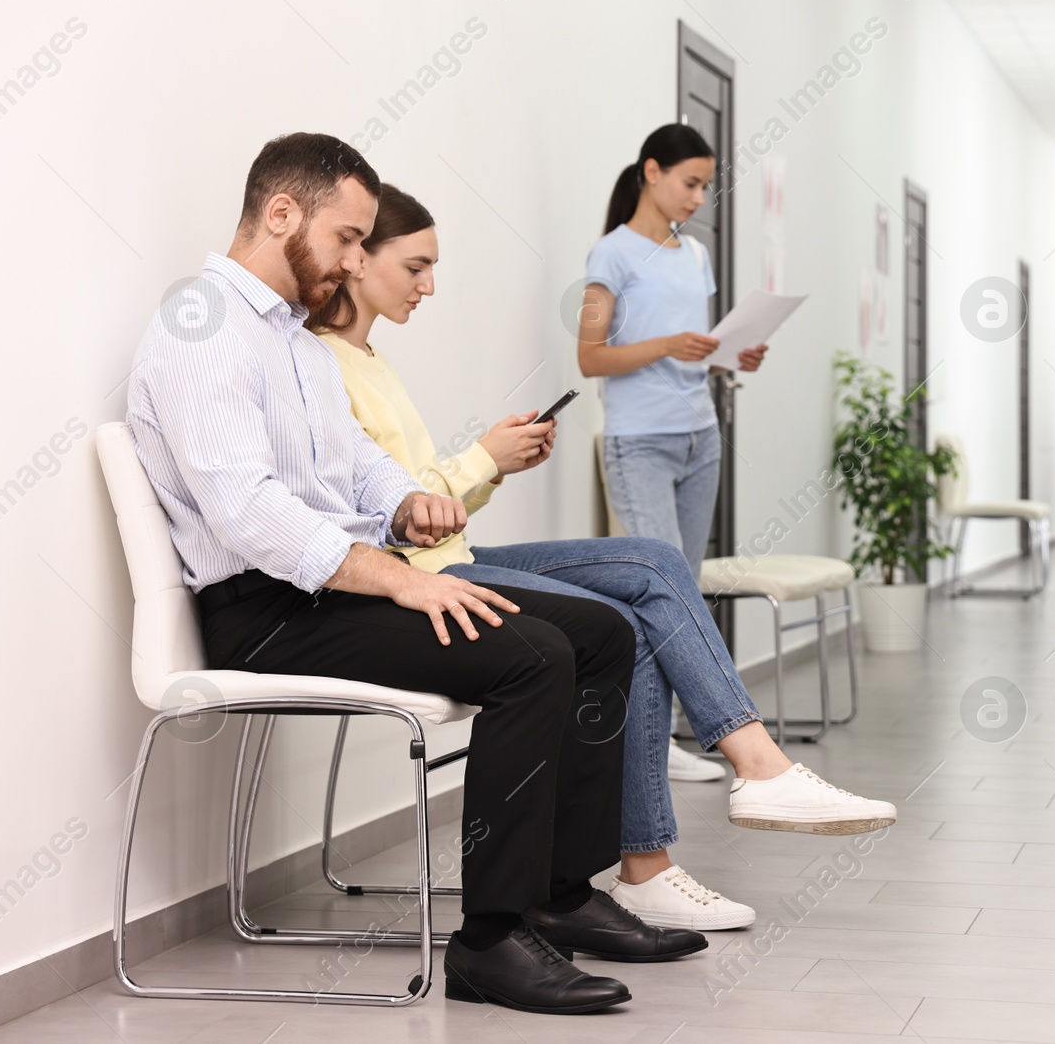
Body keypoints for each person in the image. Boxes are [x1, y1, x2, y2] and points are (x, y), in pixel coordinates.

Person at [126, 133, 710, 1016]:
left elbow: (353, 464)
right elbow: (247, 511)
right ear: (281, 214)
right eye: (349, 239)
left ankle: (560, 890)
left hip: (325, 585)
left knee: (599, 633)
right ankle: (489, 941)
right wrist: (400, 577)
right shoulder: (201, 328)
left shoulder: (294, 342)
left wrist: (407, 504)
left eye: (364, 242)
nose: (356, 260)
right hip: (262, 608)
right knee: (531, 655)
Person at [307, 184, 896, 933]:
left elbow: (422, 510)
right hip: (416, 582)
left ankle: (730, 791)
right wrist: (480, 459)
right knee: (627, 607)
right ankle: (694, 823)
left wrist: (492, 466)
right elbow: (373, 522)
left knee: (649, 561)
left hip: (448, 553)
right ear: (358, 261)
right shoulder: (321, 365)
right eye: (416, 266)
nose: (430, 285)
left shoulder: (370, 358)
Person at [576, 123, 767, 579]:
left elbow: (692, 358)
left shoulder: (697, 255)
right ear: (653, 171)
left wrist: (731, 359)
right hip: (641, 443)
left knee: (689, 581)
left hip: (701, 439)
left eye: (704, 187)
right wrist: (665, 345)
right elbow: (590, 358)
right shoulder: (611, 254)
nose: (699, 198)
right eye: (691, 184)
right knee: (666, 582)